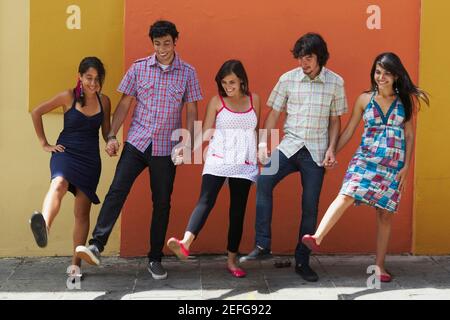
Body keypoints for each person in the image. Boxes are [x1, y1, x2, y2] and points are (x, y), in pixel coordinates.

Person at [75, 20, 202, 280]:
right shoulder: (139, 68)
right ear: (152, 43)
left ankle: (155, 258)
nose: (163, 48)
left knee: (162, 203)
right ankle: (96, 244)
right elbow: (124, 105)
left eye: (167, 43)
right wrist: (111, 133)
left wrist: (185, 142)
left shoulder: (188, 72)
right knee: (117, 190)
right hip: (137, 142)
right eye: (157, 43)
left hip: (166, 148)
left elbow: (191, 110)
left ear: (175, 42)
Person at [302, 52, 430, 282]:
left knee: (385, 216)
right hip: (365, 160)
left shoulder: (405, 101)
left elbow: (410, 135)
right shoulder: (364, 99)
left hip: (392, 167)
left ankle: (379, 266)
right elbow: (350, 130)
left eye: (387, 73)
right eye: (378, 72)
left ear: (396, 75)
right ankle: (317, 237)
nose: (381, 77)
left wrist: (406, 167)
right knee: (347, 193)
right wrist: (332, 151)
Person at [239, 33, 348, 282]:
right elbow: (273, 113)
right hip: (288, 147)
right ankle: (263, 244)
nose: (303, 62)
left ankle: (302, 260)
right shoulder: (288, 79)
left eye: (308, 57)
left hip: (316, 152)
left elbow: (335, 120)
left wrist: (332, 149)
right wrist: (264, 142)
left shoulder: (335, 82)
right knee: (264, 178)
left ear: (320, 57)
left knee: (310, 206)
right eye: (300, 57)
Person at [166, 60, 260, 278]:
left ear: (242, 81)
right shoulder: (217, 102)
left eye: (232, 82)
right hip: (218, 158)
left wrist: (260, 153)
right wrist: (187, 150)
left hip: (244, 164)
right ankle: (186, 243)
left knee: (237, 212)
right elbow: (206, 131)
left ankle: (232, 260)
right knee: (205, 200)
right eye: (224, 83)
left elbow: (257, 130)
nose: (228, 87)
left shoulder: (254, 100)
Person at [29, 57, 111, 279]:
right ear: (80, 77)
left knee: (82, 212)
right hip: (66, 152)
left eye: (97, 79)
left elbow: (106, 132)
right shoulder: (68, 96)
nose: (93, 83)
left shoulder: (104, 101)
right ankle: (44, 227)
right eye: (88, 78)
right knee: (59, 183)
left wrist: (111, 141)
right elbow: (36, 112)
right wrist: (45, 144)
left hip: (90, 159)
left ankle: (75, 265)